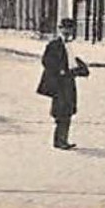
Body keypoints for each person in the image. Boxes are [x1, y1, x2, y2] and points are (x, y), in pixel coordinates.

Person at [37, 18, 89, 150]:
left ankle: (63, 139)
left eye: (70, 28)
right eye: (65, 28)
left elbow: (72, 60)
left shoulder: (69, 45)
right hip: (59, 83)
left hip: (69, 81)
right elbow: (46, 61)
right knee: (61, 111)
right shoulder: (54, 44)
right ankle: (59, 140)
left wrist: (79, 68)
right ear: (60, 29)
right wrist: (59, 71)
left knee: (68, 109)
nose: (68, 31)